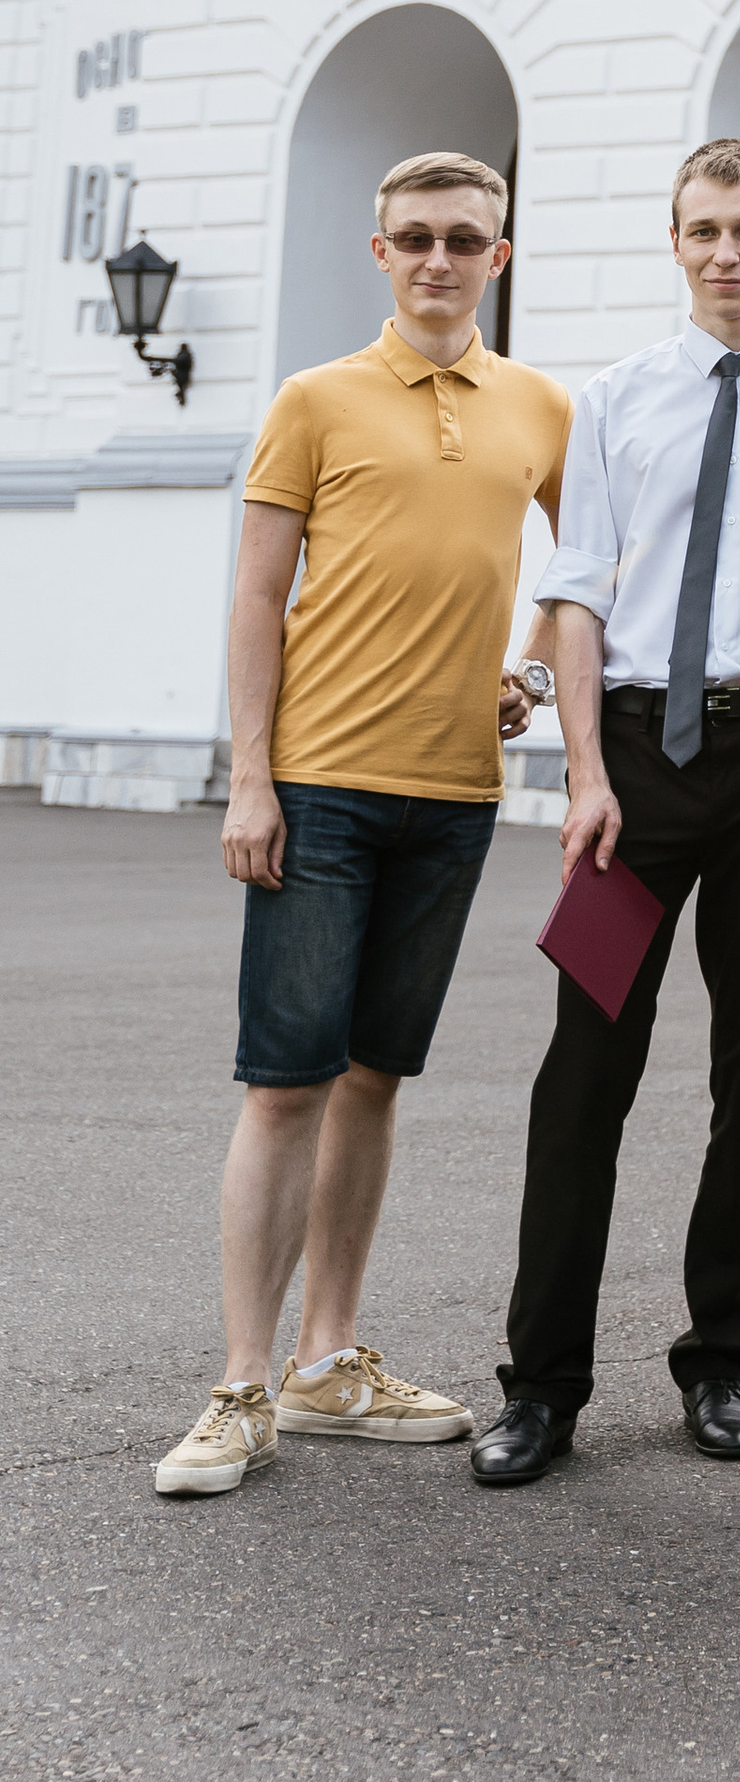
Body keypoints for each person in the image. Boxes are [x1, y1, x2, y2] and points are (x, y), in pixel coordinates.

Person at [470, 138, 740, 1486]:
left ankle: (722, 1363)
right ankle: (541, 1385)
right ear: (675, 240)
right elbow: (579, 591)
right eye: (705, 229)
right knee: (582, 1067)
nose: (727, 252)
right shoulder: (615, 400)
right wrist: (588, 776)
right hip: (636, 773)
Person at [156, 153, 571, 1500]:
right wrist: (250, 779)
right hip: (321, 788)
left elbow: (583, 576)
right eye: (415, 240)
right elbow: (254, 596)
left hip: (454, 797)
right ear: (379, 253)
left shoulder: (539, 408)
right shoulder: (314, 400)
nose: (439, 260)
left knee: (376, 1078)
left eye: (463, 240)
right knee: (286, 1084)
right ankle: (237, 1384)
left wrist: (520, 670)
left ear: (497, 258)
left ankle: (329, 1362)